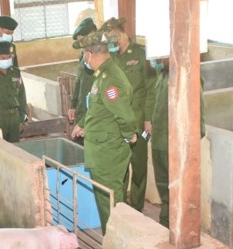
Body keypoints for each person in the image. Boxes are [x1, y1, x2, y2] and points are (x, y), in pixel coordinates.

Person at [70, 32, 138, 233]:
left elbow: (125, 116)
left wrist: (129, 134)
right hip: (102, 149)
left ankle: (113, 243)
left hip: (107, 152)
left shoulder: (110, 80)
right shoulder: (103, 75)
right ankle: (112, 240)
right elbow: (100, 109)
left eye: (84, 53)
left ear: (89, 54)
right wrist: (83, 124)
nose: (84, 58)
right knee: (107, 200)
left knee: (110, 202)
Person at [145, 57, 206, 228]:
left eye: (159, 56)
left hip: (175, 145)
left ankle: (178, 227)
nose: (155, 59)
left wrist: (187, 143)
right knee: (164, 189)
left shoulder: (188, 75)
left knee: (178, 190)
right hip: (159, 142)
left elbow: (198, 114)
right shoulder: (162, 74)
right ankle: (166, 224)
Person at [101, 17, 151, 213]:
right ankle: (121, 205)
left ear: (120, 33)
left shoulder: (140, 54)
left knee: (139, 165)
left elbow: (149, 87)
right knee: (120, 164)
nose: (109, 42)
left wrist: (148, 118)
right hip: (118, 121)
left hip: (138, 119)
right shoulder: (112, 57)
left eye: (111, 37)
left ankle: (137, 206)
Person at [68, 17, 98, 125]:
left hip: (95, 114)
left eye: (83, 40)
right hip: (82, 111)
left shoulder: (100, 57)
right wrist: (73, 106)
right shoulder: (83, 57)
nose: (82, 45)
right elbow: (79, 82)